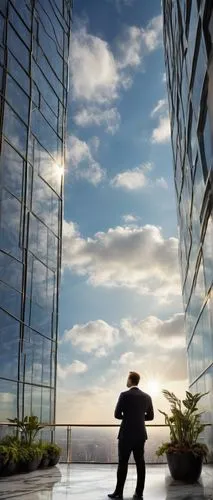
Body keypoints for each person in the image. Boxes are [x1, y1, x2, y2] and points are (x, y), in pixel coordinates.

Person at [108, 371, 154, 500]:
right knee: (140, 463)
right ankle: (139, 493)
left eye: (127, 379)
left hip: (126, 434)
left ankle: (118, 492)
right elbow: (150, 417)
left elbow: (117, 414)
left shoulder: (124, 395)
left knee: (123, 463)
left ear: (130, 380)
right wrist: (138, 417)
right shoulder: (147, 397)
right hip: (140, 434)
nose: (126, 381)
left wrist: (128, 417)